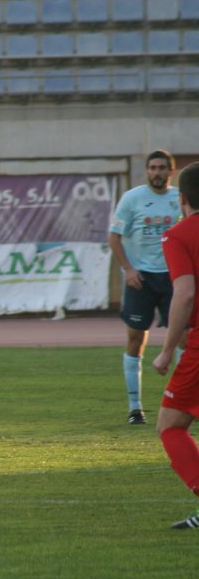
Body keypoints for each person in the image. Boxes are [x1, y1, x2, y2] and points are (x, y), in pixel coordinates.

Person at [110, 150, 179, 425]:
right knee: (136, 339)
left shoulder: (180, 198)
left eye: (162, 168)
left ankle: (184, 403)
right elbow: (114, 237)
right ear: (147, 171)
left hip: (173, 278)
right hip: (141, 279)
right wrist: (129, 269)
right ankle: (135, 407)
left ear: (171, 172)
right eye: (153, 168)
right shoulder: (132, 198)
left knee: (185, 340)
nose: (157, 172)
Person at [151, 162, 199, 528]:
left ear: (181, 198)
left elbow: (184, 293)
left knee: (171, 424)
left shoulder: (178, 235)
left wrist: (167, 349)